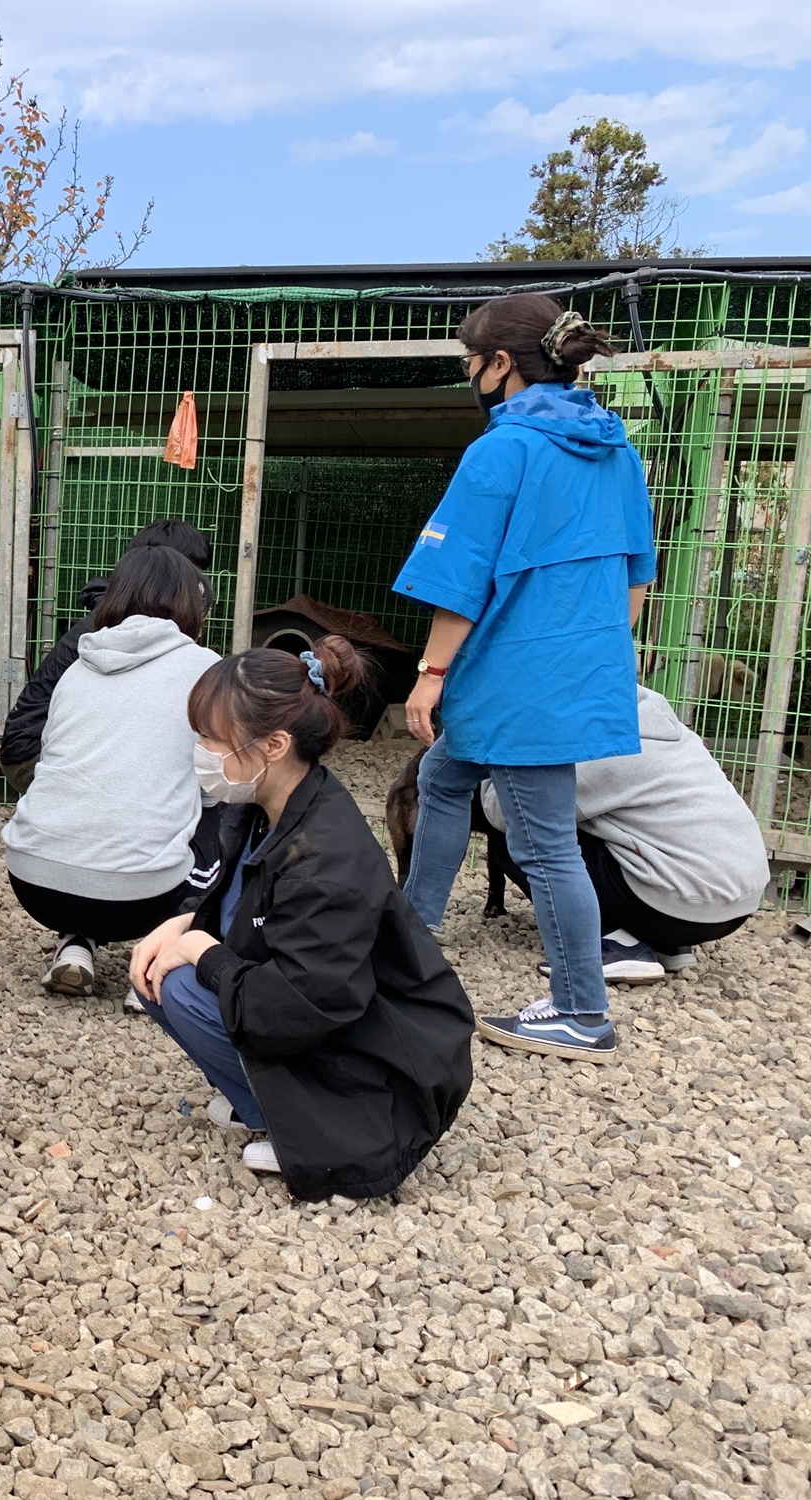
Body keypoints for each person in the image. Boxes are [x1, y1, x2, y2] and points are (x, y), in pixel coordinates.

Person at [394, 295, 655, 1063]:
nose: (468, 375)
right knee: (442, 779)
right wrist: (586, 655)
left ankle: (582, 1011)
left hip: (514, 680)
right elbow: (637, 576)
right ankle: (412, 936)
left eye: (469, 362)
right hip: (572, 671)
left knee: (545, 848)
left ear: (500, 365)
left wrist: (429, 674)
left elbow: (458, 578)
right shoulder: (617, 451)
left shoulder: (502, 451)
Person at [129, 639, 474, 1199]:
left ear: (273, 744)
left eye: (212, 738)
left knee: (185, 981)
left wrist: (199, 950)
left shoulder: (324, 858)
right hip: (334, 1010)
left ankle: (318, 1127)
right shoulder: (267, 804)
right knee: (157, 967)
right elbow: (246, 906)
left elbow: (301, 1003)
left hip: (385, 1062)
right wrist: (186, 922)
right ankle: (264, 1101)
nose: (201, 751)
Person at [1, 547, 220, 998]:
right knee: (226, 809)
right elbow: (215, 781)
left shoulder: (79, 665)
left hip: (35, 882)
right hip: (140, 899)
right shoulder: (207, 670)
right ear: (189, 603)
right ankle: (161, 967)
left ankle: (76, 943)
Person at [481, 683, 769, 981]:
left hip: (682, 905)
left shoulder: (608, 745)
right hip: (738, 903)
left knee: (522, 833)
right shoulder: (665, 728)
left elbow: (509, 811)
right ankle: (667, 943)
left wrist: (492, 769)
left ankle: (617, 941)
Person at [0, 520, 213, 795]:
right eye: (192, 575)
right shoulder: (119, 629)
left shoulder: (121, 617)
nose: (198, 589)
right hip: (32, 754)